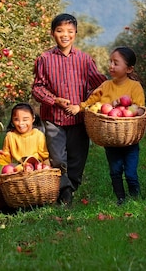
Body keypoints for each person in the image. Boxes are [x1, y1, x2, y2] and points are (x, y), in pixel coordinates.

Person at [32, 13, 107, 205]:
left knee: (77, 159)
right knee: (57, 157)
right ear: (52, 33)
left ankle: (70, 189)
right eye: (60, 31)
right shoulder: (45, 59)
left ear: (75, 34)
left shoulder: (84, 59)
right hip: (53, 117)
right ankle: (64, 192)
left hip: (78, 119)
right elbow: (37, 88)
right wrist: (53, 100)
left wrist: (121, 84)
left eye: (70, 31)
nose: (65, 35)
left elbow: (99, 85)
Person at [67, 46, 145, 206]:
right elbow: (92, 101)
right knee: (115, 171)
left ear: (129, 68)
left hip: (129, 137)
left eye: (116, 63)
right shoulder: (106, 85)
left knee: (130, 173)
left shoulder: (135, 87)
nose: (111, 66)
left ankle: (136, 197)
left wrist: (124, 108)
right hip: (110, 136)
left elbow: (139, 108)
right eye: (110, 62)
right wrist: (80, 107)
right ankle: (121, 199)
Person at [0, 103, 49, 168]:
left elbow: (45, 157)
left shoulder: (38, 135)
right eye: (16, 120)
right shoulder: (10, 136)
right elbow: (6, 159)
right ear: (12, 121)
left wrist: (47, 169)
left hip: (36, 170)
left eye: (25, 120)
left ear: (33, 119)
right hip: (18, 171)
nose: (21, 123)